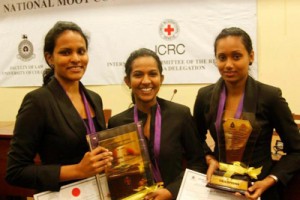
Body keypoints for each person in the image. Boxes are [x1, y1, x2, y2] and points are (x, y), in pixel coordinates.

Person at [193, 27, 300, 200]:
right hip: (218, 188)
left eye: (236, 56)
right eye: (222, 57)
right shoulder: (205, 96)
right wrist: (209, 158)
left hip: (259, 190)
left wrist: (269, 181)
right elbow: (194, 139)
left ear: (251, 56)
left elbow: (296, 150)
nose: (228, 64)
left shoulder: (269, 96)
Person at [5, 21, 113, 192]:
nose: (76, 59)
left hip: (99, 192)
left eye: (81, 51)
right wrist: (77, 170)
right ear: (50, 58)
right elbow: (15, 171)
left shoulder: (94, 98)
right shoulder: (37, 102)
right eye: (66, 52)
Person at [108, 48, 206, 200]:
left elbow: (198, 164)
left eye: (152, 74)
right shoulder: (117, 123)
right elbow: (114, 173)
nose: (146, 81)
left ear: (161, 78)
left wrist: (171, 191)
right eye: (138, 74)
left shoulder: (180, 115)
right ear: (128, 81)